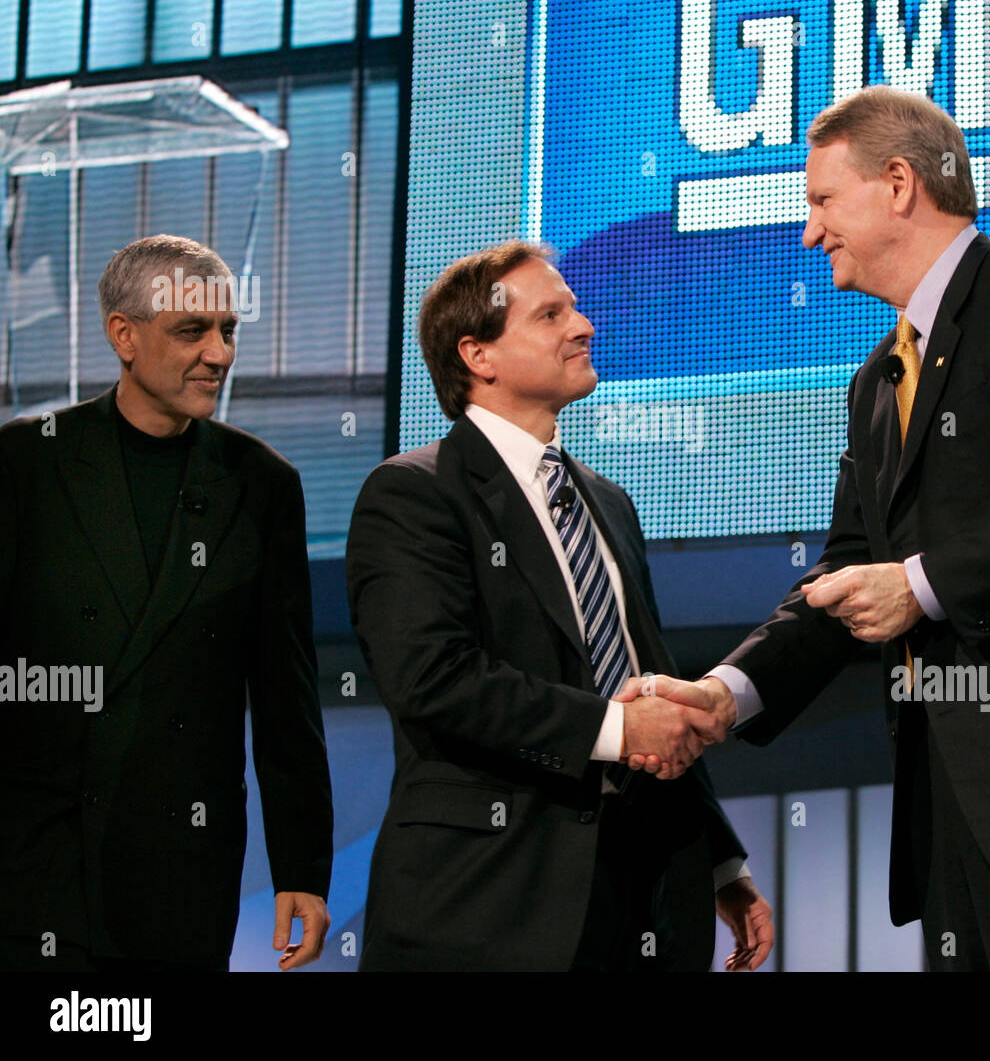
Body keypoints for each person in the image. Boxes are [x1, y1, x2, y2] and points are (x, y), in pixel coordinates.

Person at [624, 86, 990, 971]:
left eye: (822, 200)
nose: (808, 231)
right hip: (948, 815)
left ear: (899, 182)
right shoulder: (876, 383)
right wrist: (728, 691)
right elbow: (848, 575)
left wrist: (922, 583)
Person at [347, 241, 772, 971]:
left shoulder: (607, 501)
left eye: (574, 307)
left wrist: (719, 861)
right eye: (552, 314)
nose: (584, 326)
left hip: (635, 899)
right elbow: (433, 680)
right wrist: (616, 726)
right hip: (488, 904)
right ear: (479, 355)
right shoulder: (414, 493)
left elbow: (648, 674)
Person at [0, 235, 333, 972]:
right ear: (124, 334)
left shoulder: (261, 483)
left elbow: (286, 696)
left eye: (228, 331)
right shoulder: (25, 462)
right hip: (34, 867)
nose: (219, 353)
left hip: (180, 874)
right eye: (193, 330)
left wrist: (302, 868)